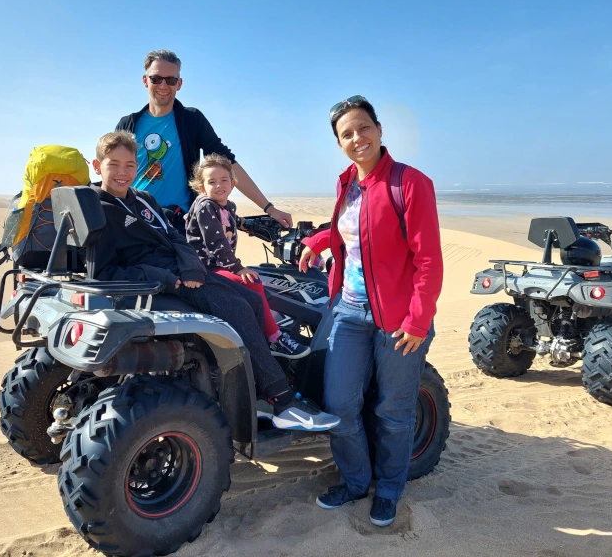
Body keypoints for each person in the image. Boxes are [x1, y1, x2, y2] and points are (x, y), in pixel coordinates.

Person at [90, 130, 340, 432]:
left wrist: (190, 266)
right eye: (114, 164)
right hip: (163, 281)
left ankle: (258, 391)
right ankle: (284, 400)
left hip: (186, 271)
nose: (123, 172)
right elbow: (105, 272)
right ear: (97, 166)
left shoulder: (143, 198)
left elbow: (174, 236)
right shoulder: (99, 210)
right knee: (238, 309)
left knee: (252, 299)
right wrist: (170, 278)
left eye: (130, 165)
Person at [298, 96, 443, 526]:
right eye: (347, 133)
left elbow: (429, 260)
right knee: (339, 407)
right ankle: (356, 482)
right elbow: (355, 230)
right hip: (349, 311)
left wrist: (418, 321)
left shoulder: (410, 182)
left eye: (363, 127)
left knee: (393, 412)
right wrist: (318, 241)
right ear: (339, 143)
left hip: (398, 320)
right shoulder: (347, 182)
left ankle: (390, 490)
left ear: (379, 130)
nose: (357, 138)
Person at [115, 49, 293, 234]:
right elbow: (112, 172)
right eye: (156, 79)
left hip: (175, 224)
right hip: (132, 219)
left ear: (179, 84)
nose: (163, 85)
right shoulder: (128, 124)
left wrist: (269, 208)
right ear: (145, 80)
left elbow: (227, 162)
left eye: (170, 80)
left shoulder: (191, 120)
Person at [185, 153, 310, 359]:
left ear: (232, 184)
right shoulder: (205, 206)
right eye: (212, 182)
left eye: (224, 180)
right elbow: (217, 244)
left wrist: (255, 226)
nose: (219, 185)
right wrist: (238, 268)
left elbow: (235, 220)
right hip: (205, 267)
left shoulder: (227, 206)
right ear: (202, 188)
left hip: (220, 265)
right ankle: (275, 338)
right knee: (251, 281)